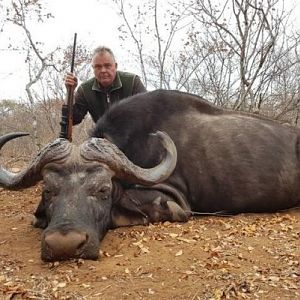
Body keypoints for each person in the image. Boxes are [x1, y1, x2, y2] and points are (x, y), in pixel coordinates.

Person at [64, 46, 147, 125]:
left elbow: (148, 110)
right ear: (93, 68)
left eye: (107, 66)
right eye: (98, 67)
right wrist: (69, 92)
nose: (103, 70)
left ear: (115, 66)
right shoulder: (85, 90)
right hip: (102, 137)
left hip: (133, 135)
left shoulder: (132, 82)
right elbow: (73, 119)